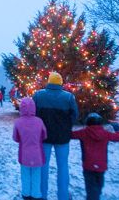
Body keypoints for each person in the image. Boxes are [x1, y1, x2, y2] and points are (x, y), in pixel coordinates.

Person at [33, 71, 78, 200]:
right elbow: (74, 116)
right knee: (63, 166)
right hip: (63, 138)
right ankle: (63, 196)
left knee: (43, 166)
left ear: (49, 82)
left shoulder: (38, 95)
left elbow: (33, 114)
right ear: (60, 83)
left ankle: (42, 195)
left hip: (44, 137)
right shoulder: (69, 97)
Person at [71, 113, 119, 200]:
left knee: (90, 187)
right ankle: (96, 196)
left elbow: (70, 135)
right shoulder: (105, 134)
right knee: (99, 184)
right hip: (101, 165)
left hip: (88, 165)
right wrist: (117, 127)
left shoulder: (83, 133)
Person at [13, 98, 47, 200]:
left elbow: (15, 138)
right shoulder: (39, 121)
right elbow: (44, 135)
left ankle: (26, 193)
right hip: (37, 155)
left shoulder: (18, 122)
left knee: (25, 175)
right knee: (37, 175)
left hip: (24, 155)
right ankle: (36, 194)